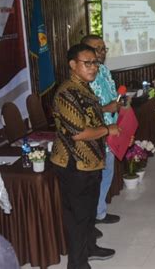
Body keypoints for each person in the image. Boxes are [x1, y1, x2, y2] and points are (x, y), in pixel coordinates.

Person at [51, 44, 120, 269]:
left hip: (91, 161)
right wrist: (108, 130)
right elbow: (79, 133)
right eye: (87, 63)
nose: (93, 67)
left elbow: (94, 115)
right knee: (78, 218)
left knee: (89, 212)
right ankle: (77, 263)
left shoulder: (85, 88)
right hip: (74, 164)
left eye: (95, 63)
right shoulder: (67, 93)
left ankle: (90, 248)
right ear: (73, 65)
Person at [81, 35, 121, 227]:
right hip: (95, 133)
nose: (102, 52)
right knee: (94, 178)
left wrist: (119, 106)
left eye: (104, 48)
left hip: (110, 130)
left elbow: (112, 96)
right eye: (97, 48)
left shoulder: (104, 70)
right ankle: (91, 218)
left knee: (107, 174)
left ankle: (100, 212)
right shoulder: (83, 76)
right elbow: (83, 110)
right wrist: (107, 108)